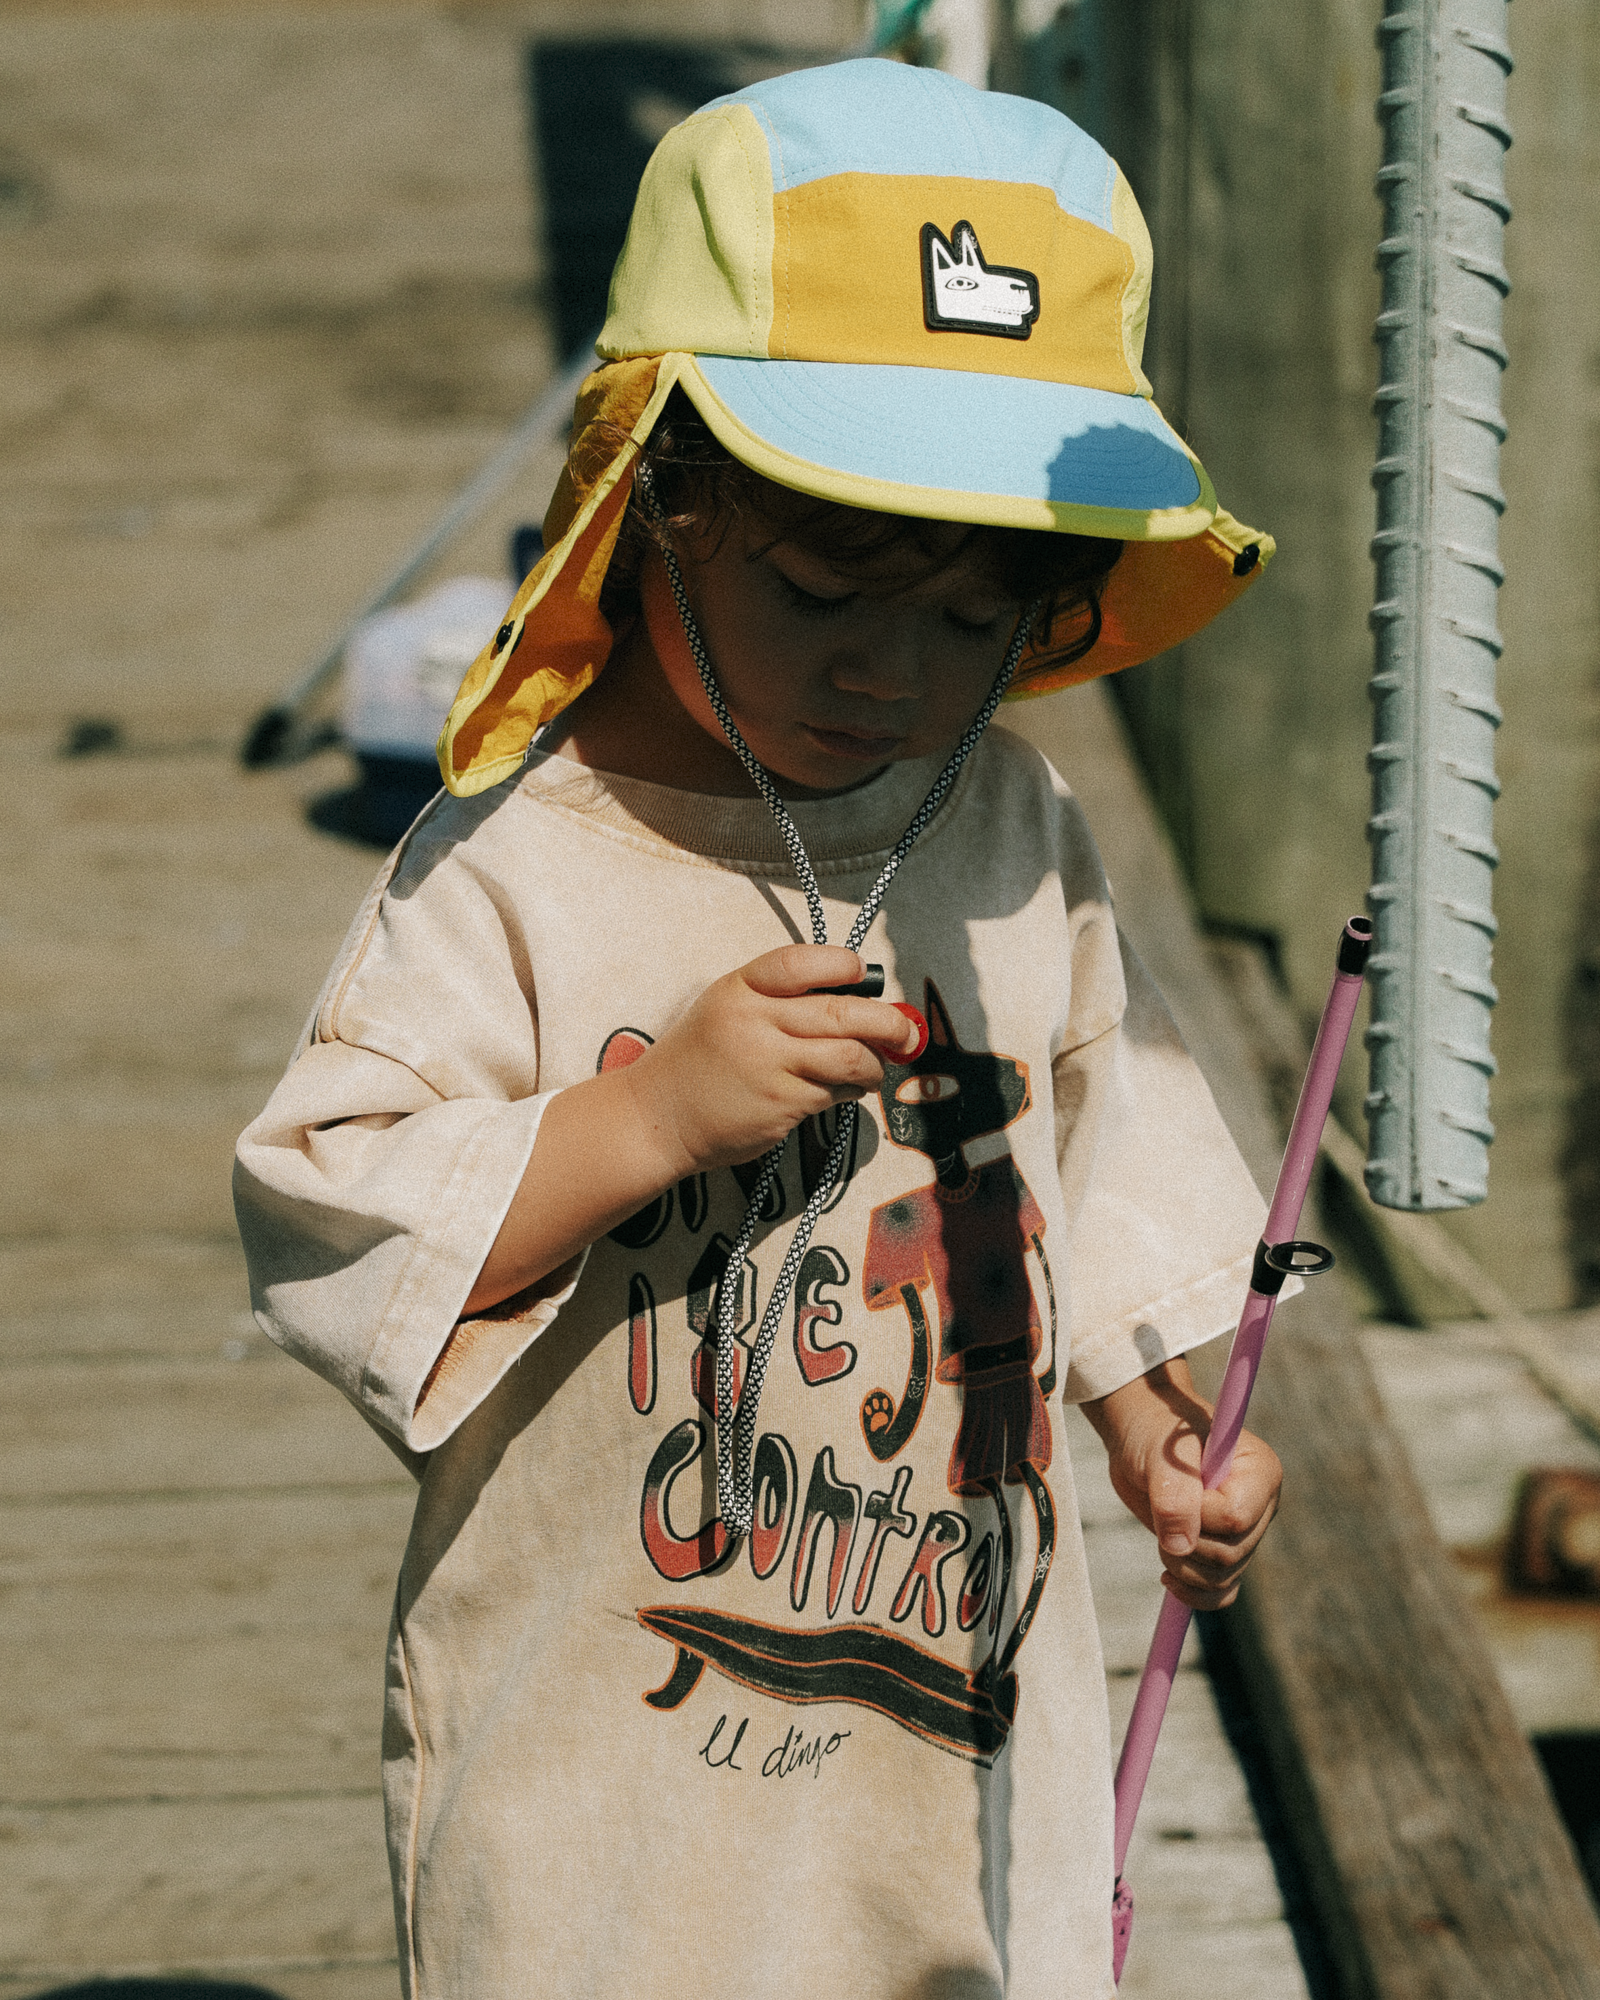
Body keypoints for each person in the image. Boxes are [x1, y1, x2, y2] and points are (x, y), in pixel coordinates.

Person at [235, 57, 1286, 2000]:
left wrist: (1155, 1427)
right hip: (620, 1771)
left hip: (946, 1719)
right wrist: (644, 1124)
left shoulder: (999, 819)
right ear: (656, 500)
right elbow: (330, 1201)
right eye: (820, 590)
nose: (892, 671)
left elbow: (1084, 1145)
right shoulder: (520, 865)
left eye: (980, 617)